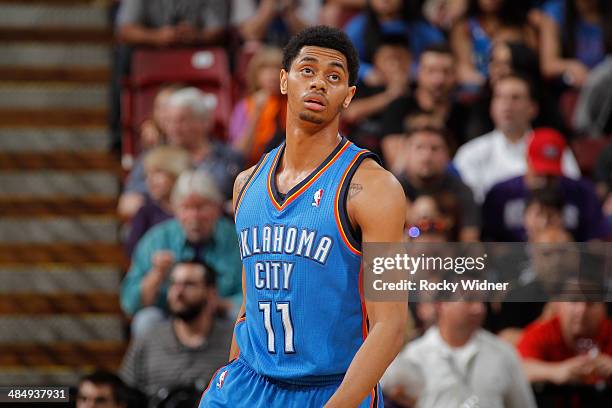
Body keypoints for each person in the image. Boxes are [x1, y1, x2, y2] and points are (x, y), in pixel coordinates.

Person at [199, 26, 407, 407]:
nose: (319, 84)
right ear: (283, 80)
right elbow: (249, 305)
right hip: (248, 382)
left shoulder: (375, 188)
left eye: (334, 77)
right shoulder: (246, 183)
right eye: (307, 71)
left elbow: (390, 327)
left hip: (331, 388)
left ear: (349, 97)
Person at [120, 170, 242, 337]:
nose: (194, 216)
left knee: (243, 316)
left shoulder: (235, 239)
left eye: (201, 207)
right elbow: (130, 303)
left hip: (219, 316)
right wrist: (156, 275)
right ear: (175, 210)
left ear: (217, 208)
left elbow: (253, 295)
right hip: (172, 318)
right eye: (186, 208)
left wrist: (221, 304)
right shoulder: (157, 240)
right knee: (145, 321)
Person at [382, 301, 537, 408]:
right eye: (469, 300)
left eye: (481, 301)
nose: (479, 308)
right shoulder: (414, 356)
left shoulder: (503, 352)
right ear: (442, 304)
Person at [453, 74, 581, 203]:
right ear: (491, 107)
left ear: (532, 108)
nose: (507, 105)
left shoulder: (552, 146)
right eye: (500, 97)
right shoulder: (470, 153)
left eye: (515, 98)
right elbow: (469, 204)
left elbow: (573, 190)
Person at [120, 262, 233, 404]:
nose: (178, 292)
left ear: (211, 293)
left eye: (189, 285)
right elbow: (124, 393)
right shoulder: (149, 339)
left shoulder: (232, 341)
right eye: (173, 284)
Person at [119, 87, 243, 215]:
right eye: (169, 121)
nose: (174, 128)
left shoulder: (229, 158)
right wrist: (165, 201)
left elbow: (243, 202)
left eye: (182, 121)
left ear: (204, 122)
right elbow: (127, 203)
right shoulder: (153, 158)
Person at [482, 127, 607, 241]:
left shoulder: (582, 192)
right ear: (527, 160)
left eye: (551, 175)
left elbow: (595, 241)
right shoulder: (501, 193)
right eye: (539, 173)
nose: (544, 181)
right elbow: (489, 242)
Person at [397, 126, 481, 242]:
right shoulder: (392, 189)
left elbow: (470, 241)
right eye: (419, 147)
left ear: (448, 155)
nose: (427, 156)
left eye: (435, 149)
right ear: (406, 153)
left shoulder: (461, 190)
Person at [380, 43, 469, 149]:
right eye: (431, 71)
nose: (439, 80)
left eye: (446, 72)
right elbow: (395, 159)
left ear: (456, 75)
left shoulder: (465, 113)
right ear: (418, 72)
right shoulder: (399, 108)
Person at [344, 0, 444, 84]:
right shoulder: (359, 27)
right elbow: (344, 60)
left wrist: (414, 71)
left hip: (413, 86)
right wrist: (367, 72)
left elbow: (441, 52)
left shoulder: (418, 27)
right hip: (370, 88)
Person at [518, 301, 612, 385]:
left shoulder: (608, 330)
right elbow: (517, 369)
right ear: (557, 305)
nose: (582, 310)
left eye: (591, 303)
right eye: (574, 301)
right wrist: (555, 371)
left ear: (603, 308)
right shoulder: (542, 332)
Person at [450, 0, 536, 87]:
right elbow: (464, 69)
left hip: (515, 87)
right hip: (477, 87)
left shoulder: (521, 28)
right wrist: (489, 85)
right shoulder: (464, 26)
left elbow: (531, 66)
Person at [124, 146, 191, 257]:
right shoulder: (146, 212)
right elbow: (133, 251)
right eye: (147, 175)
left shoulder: (194, 208)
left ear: (176, 173)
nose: (150, 180)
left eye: (158, 173)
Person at [229, 46, 286, 166]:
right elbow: (239, 153)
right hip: (254, 168)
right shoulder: (244, 106)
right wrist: (256, 114)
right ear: (255, 75)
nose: (273, 74)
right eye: (266, 69)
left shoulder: (292, 104)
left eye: (278, 69)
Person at [539, 0, 606, 87]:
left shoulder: (606, 9)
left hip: (605, 83)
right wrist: (571, 66)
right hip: (571, 87)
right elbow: (548, 65)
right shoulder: (556, 11)